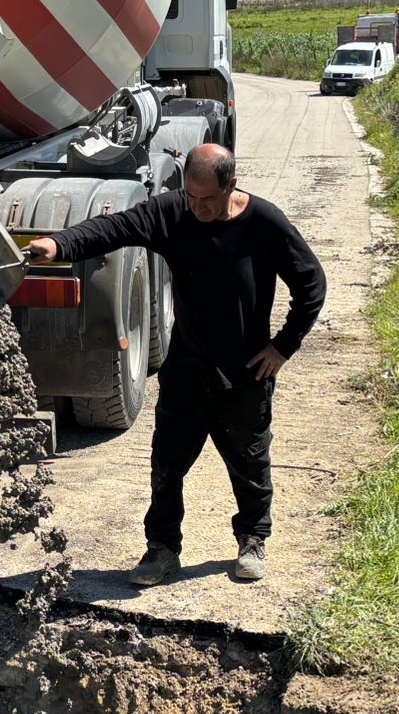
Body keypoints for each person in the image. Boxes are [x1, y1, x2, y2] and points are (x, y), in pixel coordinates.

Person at [25, 144, 326, 587]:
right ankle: (162, 550)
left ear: (232, 186)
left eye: (207, 200)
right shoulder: (174, 213)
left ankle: (252, 539)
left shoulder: (263, 223)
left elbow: (311, 283)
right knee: (166, 467)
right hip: (186, 371)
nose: (197, 208)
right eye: (190, 196)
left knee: (249, 465)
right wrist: (59, 243)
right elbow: (115, 228)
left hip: (245, 375)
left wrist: (283, 347)